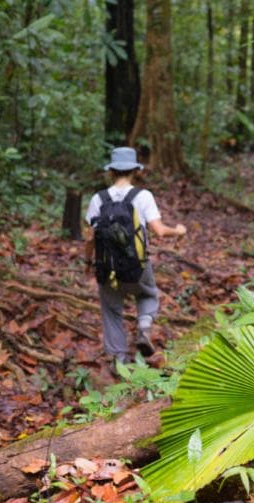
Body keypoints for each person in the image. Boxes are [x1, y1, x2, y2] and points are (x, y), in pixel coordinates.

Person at [83, 147, 186, 370]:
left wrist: (88, 262)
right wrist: (178, 231)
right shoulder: (143, 196)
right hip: (137, 266)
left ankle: (119, 361)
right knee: (148, 294)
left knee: (111, 311)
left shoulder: (98, 199)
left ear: (111, 171)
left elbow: (90, 237)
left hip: (107, 267)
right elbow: (159, 231)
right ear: (134, 171)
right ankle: (144, 327)